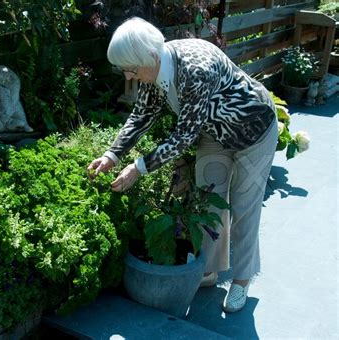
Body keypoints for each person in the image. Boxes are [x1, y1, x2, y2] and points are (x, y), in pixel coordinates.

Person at [87, 17, 278, 313]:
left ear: (150, 56)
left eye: (132, 68)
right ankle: (209, 270)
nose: (128, 74)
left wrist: (138, 167)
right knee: (206, 202)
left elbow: (184, 136)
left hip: (253, 130)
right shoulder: (154, 68)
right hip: (214, 134)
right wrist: (112, 155)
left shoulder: (194, 69)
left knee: (244, 205)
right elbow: (142, 115)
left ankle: (241, 280)